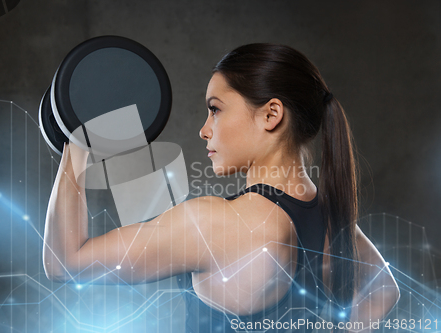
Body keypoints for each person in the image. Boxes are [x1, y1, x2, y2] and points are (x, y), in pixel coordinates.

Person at [43, 43, 400, 332]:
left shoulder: (214, 225)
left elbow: (65, 262)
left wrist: (79, 141)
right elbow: (384, 288)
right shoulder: (333, 219)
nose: (205, 129)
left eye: (215, 110)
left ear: (271, 115)